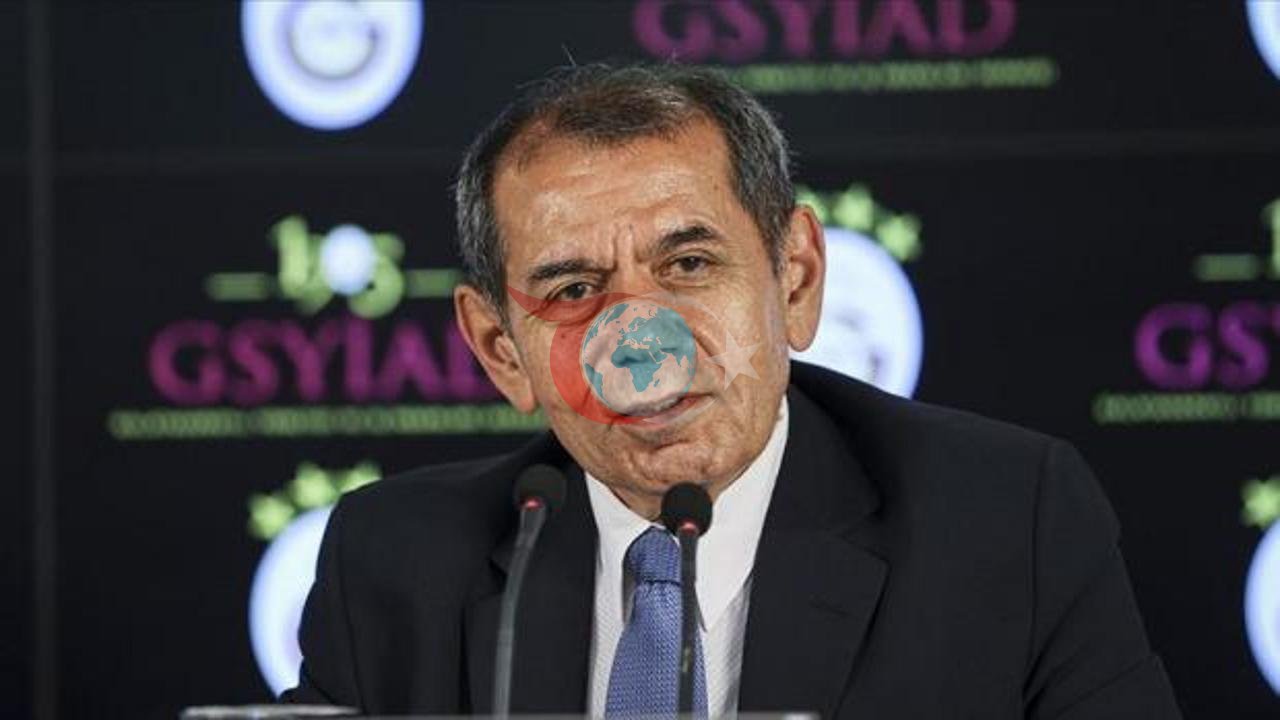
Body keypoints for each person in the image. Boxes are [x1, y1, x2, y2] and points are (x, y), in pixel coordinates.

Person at [283, 63, 1181, 719]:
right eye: (574, 290)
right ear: (500, 349)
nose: (644, 346)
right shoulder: (395, 565)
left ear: (795, 279)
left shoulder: (1006, 523)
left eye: (688, 265)